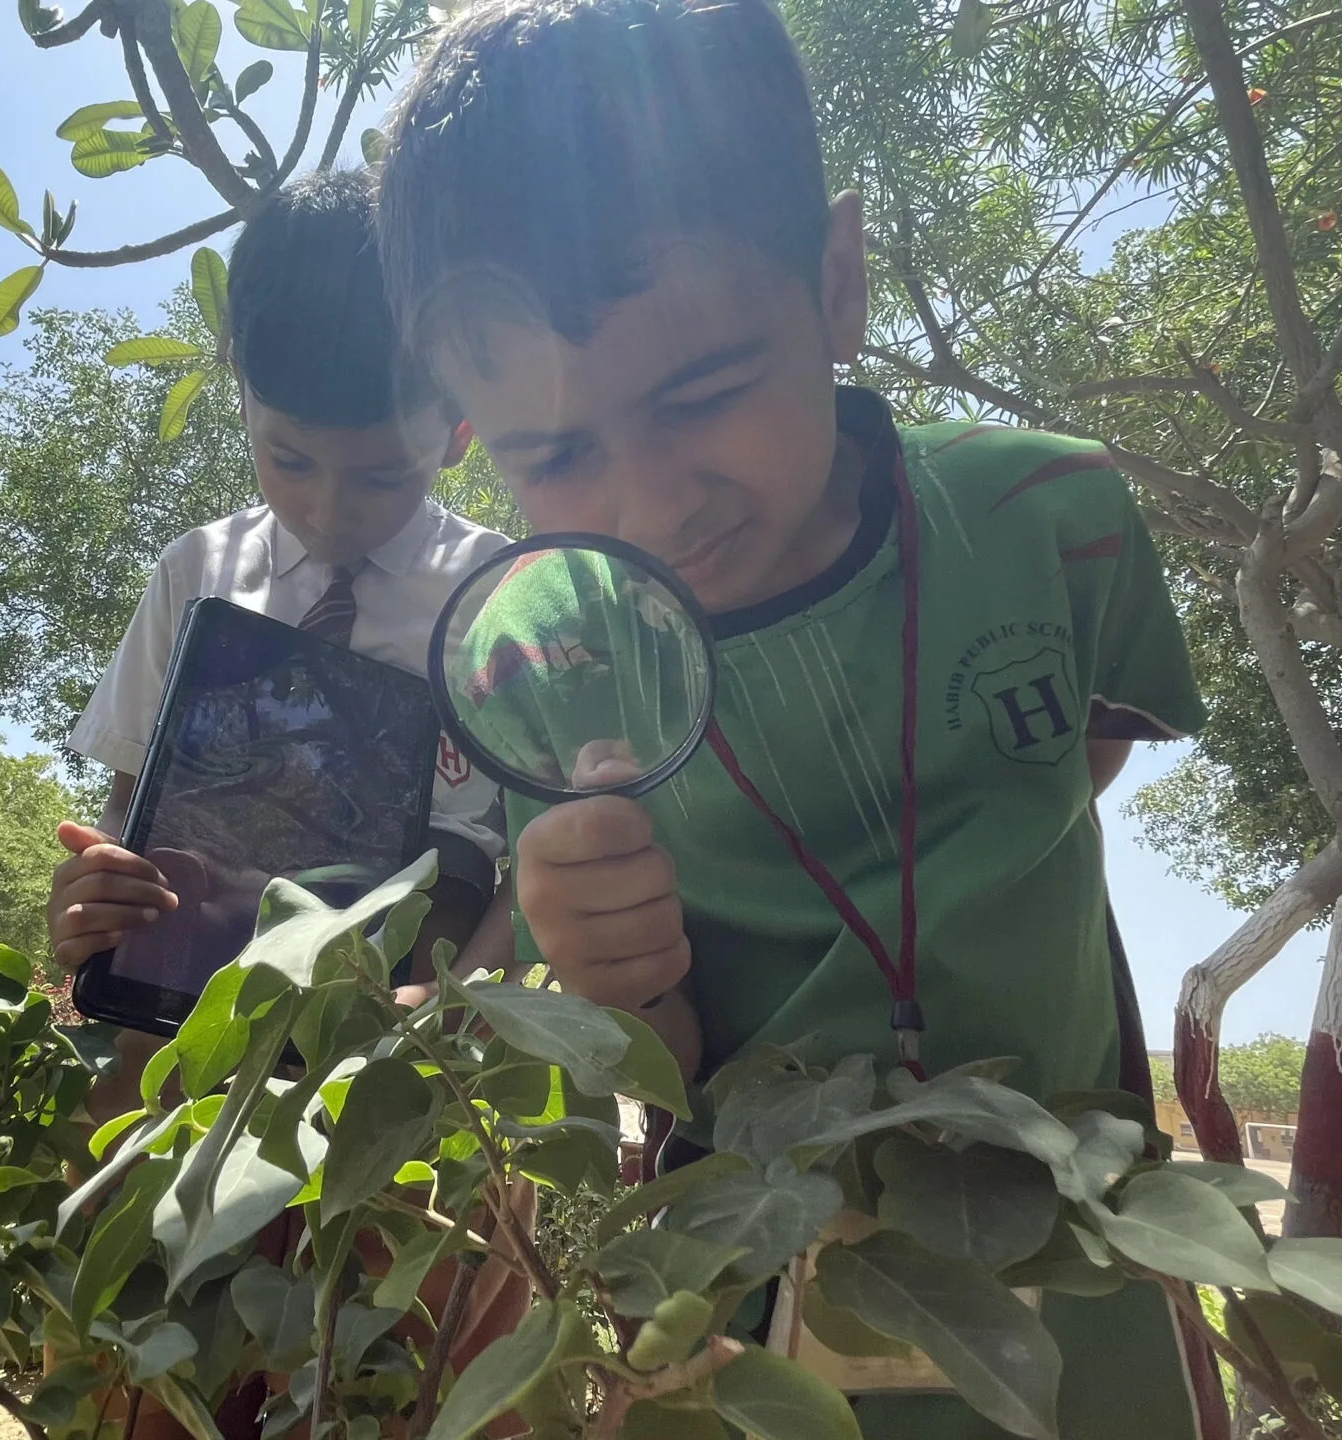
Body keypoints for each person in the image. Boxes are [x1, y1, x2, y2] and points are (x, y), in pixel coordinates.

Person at [375, 2, 1225, 1435]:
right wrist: (609, 977)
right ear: (473, 437)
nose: (652, 506)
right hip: (743, 1300)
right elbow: (656, 1034)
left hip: (1086, 1245)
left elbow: (1070, 772)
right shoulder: (540, 653)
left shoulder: (1055, 518)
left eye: (704, 393)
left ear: (837, 280)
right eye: (556, 455)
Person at [52, 168, 515, 1012]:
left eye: (381, 475)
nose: (326, 511)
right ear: (242, 396)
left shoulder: (507, 600)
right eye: (289, 460)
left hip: (402, 1054)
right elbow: (127, 815)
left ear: (457, 432)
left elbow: (546, 858)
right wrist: (93, 893)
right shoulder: (196, 573)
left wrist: (463, 1005)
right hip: (180, 1028)